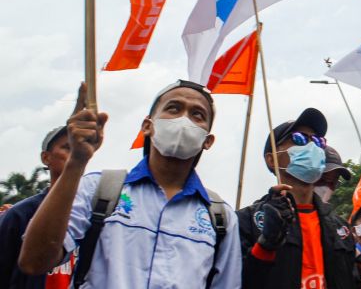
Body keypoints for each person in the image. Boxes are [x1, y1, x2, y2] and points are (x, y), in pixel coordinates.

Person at [18, 80, 241, 288]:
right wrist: (76, 162)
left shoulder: (220, 218)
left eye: (197, 115)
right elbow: (33, 262)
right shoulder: (99, 190)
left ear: (208, 141)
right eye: (174, 108)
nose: (183, 120)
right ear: (147, 126)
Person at [237, 108, 361, 289]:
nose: (312, 147)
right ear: (271, 159)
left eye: (318, 141)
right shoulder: (246, 222)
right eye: (299, 139)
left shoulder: (341, 228)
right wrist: (266, 245)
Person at [0, 126, 76, 288]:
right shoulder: (19, 215)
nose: (76, 153)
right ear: (46, 158)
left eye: (79, 147)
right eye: (67, 147)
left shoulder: (96, 210)